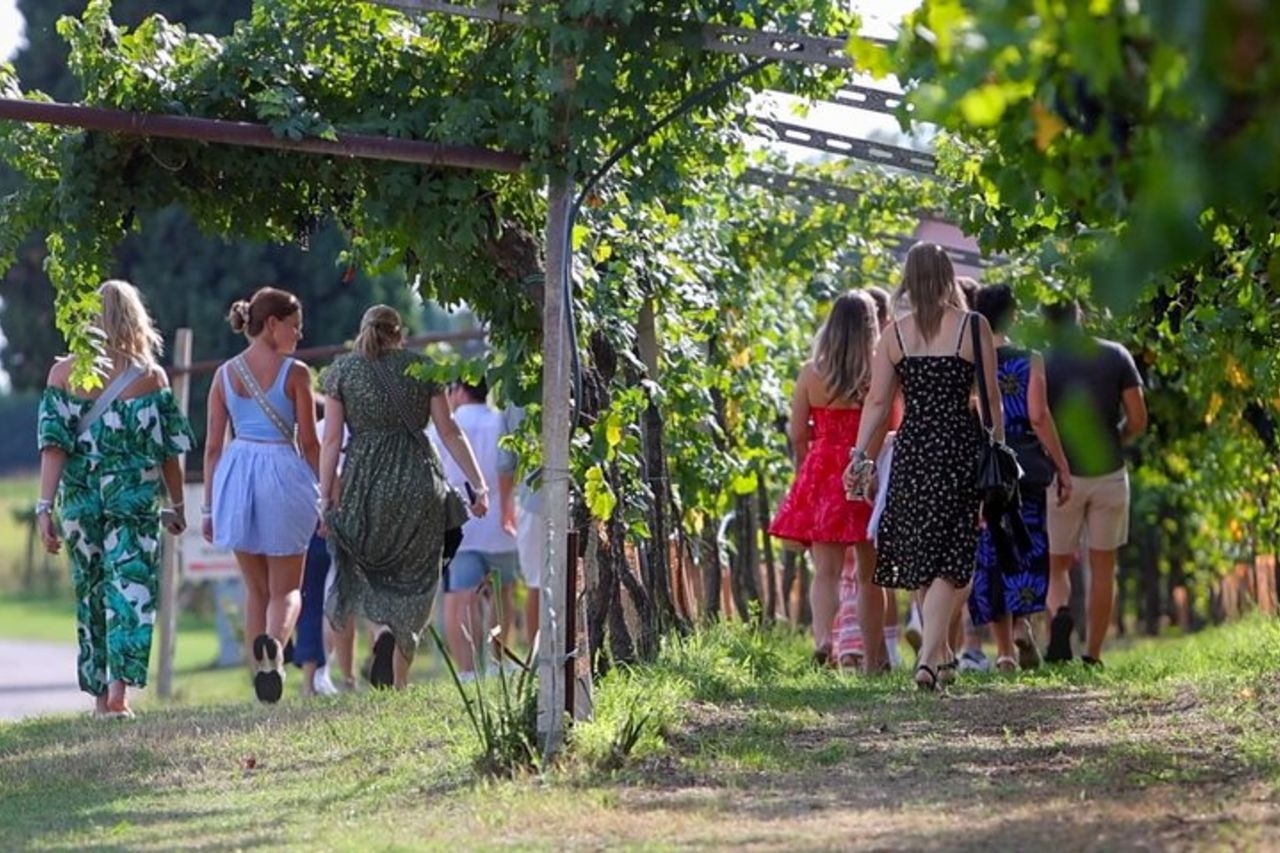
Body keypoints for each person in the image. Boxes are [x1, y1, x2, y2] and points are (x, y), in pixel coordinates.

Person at [844, 243, 1002, 691]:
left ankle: (938, 655)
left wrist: (861, 456)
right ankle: (931, 661)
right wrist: (998, 451)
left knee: (925, 554)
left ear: (909, 280)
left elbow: (877, 402)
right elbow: (990, 401)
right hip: (959, 450)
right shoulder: (973, 327)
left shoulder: (895, 334)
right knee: (952, 558)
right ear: (948, 275)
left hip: (913, 451)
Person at [36, 279, 195, 718]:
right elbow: (168, 454)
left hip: (82, 502)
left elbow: (54, 446)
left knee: (92, 591)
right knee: (131, 590)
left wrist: (44, 508)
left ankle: (100, 699)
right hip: (134, 502)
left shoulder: (63, 374)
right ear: (135, 317)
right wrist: (178, 506)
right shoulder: (151, 377)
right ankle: (119, 694)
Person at [319, 305, 488, 690]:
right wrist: (479, 484)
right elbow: (449, 431)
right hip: (417, 481)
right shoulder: (421, 367)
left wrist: (325, 496)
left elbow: (330, 440)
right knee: (418, 576)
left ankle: (380, 631)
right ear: (400, 333)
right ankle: (399, 673)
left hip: (365, 484)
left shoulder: (342, 372)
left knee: (368, 568)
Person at [203, 287, 320, 703]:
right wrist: (325, 495)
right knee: (287, 590)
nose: (298, 335)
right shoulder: (297, 373)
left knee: (255, 590)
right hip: (283, 475)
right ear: (272, 324)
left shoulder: (224, 375)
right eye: (294, 326)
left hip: (236, 478)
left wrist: (209, 508)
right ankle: (274, 643)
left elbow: (213, 446)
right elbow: (308, 442)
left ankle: (260, 681)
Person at [769, 291, 884, 673]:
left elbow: (797, 431)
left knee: (826, 571)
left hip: (823, 469)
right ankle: (873, 658)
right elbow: (893, 424)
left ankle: (823, 641)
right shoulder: (879, 375)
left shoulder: (811, 373)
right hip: (865, 469)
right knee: (869, 575)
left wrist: (808, 467)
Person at [966, 285, 1073, 672]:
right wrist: (1061, 465)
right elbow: (1038, 415)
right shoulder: (1031, 359)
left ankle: (1005, 652)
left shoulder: (970, 359)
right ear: (1012, 317)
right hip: (1025, 463)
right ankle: (1024, 625)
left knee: (992, 551)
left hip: (983, 465)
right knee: (1027, 544)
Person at [1042, 300, 1146, 666]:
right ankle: (1093, 654)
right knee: (1103, 566)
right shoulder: (1116, 355)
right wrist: (1117, 437)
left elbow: (1038, 418)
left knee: (1055, 567)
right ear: (1080, 315)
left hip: (1062, 475)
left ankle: (1060, 616)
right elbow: (1138, 418)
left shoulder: (1043, 362)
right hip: (1109, 474)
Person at [432, 379, 519, 680]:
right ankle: (498, 661)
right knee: (502, 594)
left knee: (459, 597)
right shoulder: (501, 422)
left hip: (462, 524)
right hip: (500, 523)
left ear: (457, 392)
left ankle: (468, 670)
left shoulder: (447, 426)